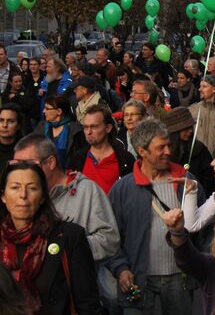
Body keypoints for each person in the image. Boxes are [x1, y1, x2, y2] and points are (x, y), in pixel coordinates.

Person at [13, 134, 121, 311]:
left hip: (76, 296)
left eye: (27, 165)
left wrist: (70, 250)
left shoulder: (87, 191)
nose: (20, 172)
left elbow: (110, 239)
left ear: (51, 162)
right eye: (15, 166)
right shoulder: (24, 198)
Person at [107, 118, 203, 314]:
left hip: (180, 278)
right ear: (142, 151)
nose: (168, 151)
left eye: (169, 145)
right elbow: (111, 236)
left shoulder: (187, 182)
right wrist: (121, 268)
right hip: (138, 278)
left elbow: (202, 229)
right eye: (161, 147)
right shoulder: (122, 189)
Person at [0, 162, 101, 314]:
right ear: (3, 196)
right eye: (15, 187)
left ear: (42, 197)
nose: (23, 195)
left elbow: (87, 303)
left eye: (32, 188)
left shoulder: (68, 236)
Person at [66, 105, 135, 194]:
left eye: (94, 127)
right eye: (86, 127)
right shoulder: (77, 159)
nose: (89, 132)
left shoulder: (125, 159)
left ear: (108, 128)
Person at [165, 106, 215, 196]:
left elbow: (210, 178)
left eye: (190, 127)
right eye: (185, 128)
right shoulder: (166, 151)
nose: (190, 131)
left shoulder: (199, 149)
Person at [35, 94, 85, 168]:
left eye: (47, 108)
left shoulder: (76, 129)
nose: (44, 111)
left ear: (59, 111)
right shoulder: (41, 127)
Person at [0, 104, 25, 172]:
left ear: (18, 125)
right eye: (1, 120)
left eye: (10, 121)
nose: (5, 125)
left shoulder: (25, 151)